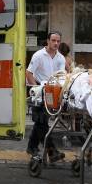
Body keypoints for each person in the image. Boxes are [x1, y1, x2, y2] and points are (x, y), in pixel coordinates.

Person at [26, 31, 66, 162]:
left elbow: (61, 76)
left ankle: (32, 147)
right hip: (39, 91)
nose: (56, 43)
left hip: (52, 93)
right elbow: (29, 73)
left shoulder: (61, 58)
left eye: (58, 41)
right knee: (42, 122)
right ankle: (51, 151)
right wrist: (35, 88)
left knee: (40, 122)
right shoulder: (38, 55)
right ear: (48, 41)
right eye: (53, 40)